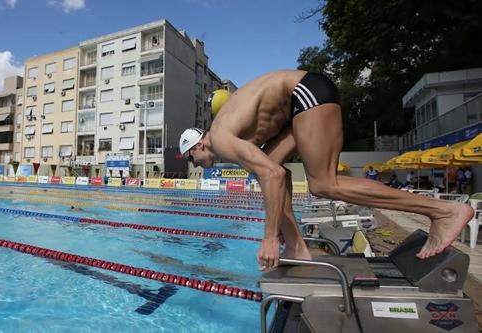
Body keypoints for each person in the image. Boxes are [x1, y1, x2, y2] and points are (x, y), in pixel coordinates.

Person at [179, 70, 473, 269]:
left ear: (196, 148)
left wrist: (269, 236)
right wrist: (279, 227)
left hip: (304, 93)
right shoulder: (227, 132)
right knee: (266, 170)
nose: (195, 165)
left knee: (323, 184)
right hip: (295, 104)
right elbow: (274, 172)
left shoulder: (220, 139)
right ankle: (296, 247)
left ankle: (443, 211)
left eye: (191, 160)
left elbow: (275, 176)